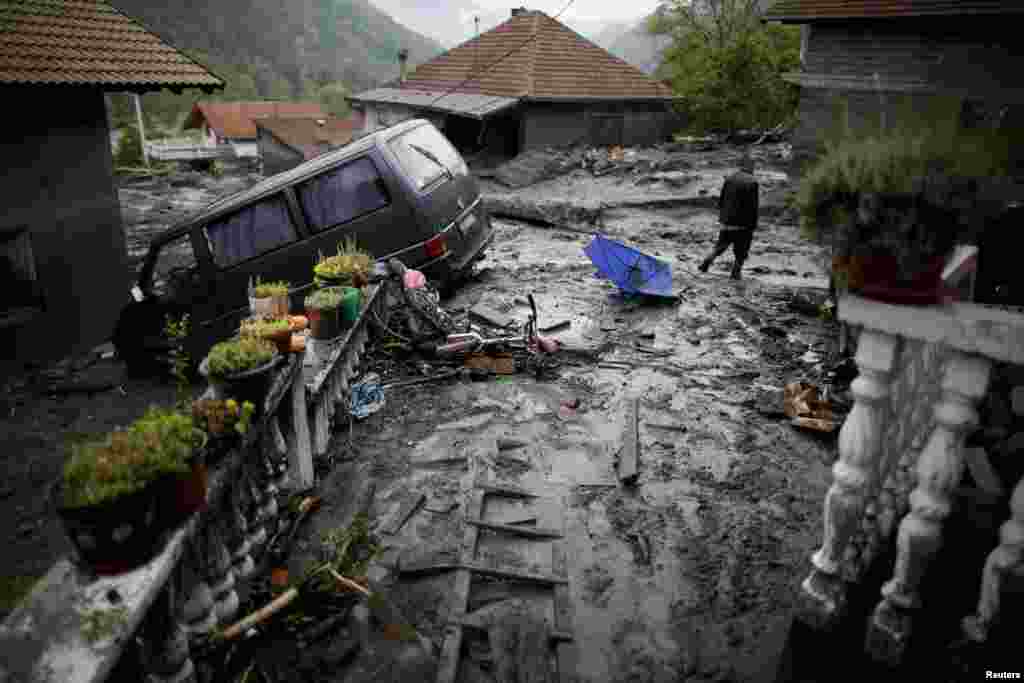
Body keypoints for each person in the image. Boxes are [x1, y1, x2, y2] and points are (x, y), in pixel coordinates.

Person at [699, 153, 759, 280]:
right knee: (741, 252)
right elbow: (753, 206)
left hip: (726, 221)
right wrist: (753, 224)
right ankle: (735, 273)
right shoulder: (753, 182)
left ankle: (706, 262)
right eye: (753, 165)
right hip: (744, 225)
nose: (754, 168)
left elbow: (721, 200)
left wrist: (723, 217)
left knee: (720, 246)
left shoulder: (730, 178)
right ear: (750, 166)